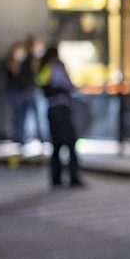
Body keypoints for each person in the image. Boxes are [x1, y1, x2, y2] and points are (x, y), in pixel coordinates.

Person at [36, 45, 83, 188]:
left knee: (56, 145)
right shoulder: (56, 67)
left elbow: (41, 84)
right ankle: (73, 177)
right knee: (70, 143)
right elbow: (69, 86)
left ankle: (56, 178)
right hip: (61, 108)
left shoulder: (45, 67)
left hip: (52, 109)